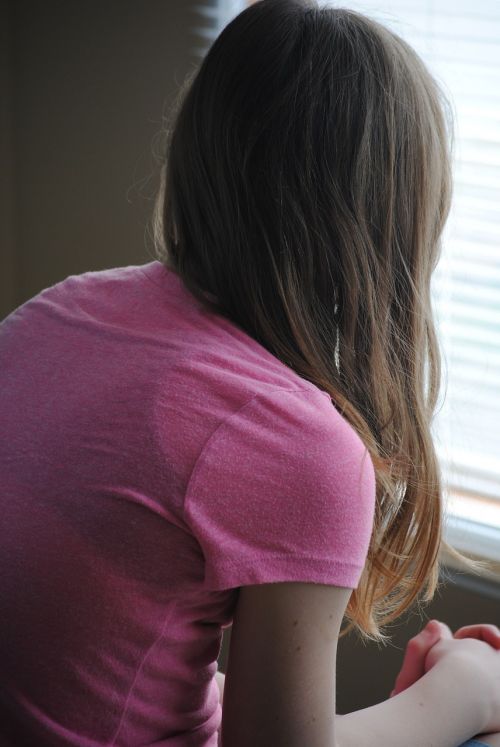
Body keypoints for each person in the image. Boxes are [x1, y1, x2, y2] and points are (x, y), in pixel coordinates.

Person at [1, 0, 499, 745]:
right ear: (393, 217)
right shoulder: (295, 440)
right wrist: (462, 693)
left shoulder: (57, 311)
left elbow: (107, 665)